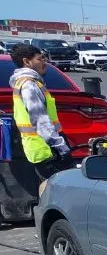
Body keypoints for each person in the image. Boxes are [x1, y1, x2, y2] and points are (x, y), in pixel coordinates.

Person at [9, 43, 73, 183]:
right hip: (47, 150)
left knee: (47, 186)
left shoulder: (27, 83)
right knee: (58, 189)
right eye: (40, 59)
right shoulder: (29, 86)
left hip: (40, 148)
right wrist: (61, 147)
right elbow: (40, 121)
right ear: (26, 61)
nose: (45, 62)